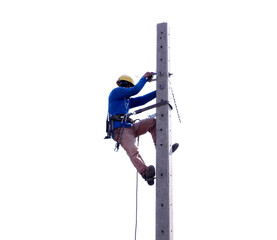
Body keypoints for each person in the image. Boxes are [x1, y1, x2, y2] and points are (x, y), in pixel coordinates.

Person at [108, 72, 156, 185]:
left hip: (129, 127)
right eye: (129, 87)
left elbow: (142, 100)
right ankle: (145, 173)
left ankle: (160, 147)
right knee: (133, 151)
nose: (129, 90)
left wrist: (160, 91)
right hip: (120, 130)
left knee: (152, 123)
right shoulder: (116, 92)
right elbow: (135, 90)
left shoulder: (126, 101)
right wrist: (144, 78)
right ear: (125, 85)